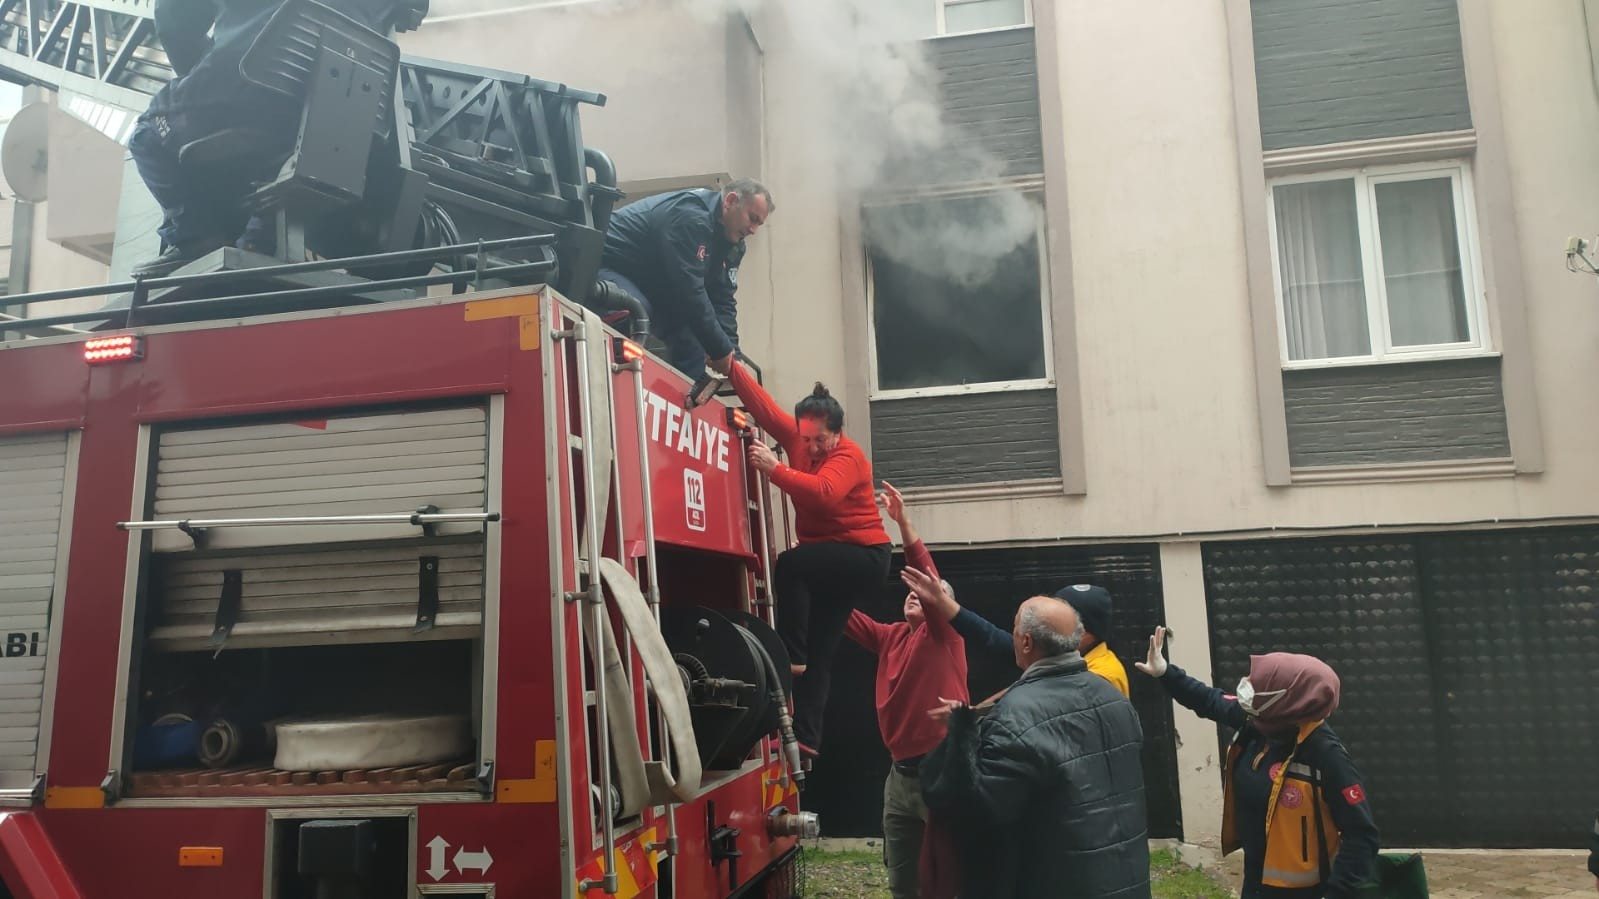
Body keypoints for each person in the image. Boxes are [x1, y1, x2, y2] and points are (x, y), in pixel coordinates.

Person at [128, 0, 418, 277]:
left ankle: (197, 239)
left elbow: (174, 20)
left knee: (147, 136)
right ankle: (260, 236)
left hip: (244, 91)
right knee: (274, 155)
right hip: (341, 111)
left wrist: (203, 77)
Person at [919, 597, 1151, 899]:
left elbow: (974, 813)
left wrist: (960, 735)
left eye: (1014, 628)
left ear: (1026, 642)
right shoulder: (1114, 698)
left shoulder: (1014, 715)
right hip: (1125, 879)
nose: (1011, 635)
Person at [1136, 627, 1379, 898]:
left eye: (1259, 683)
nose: (1247, 685)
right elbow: (1209, 700)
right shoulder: (1259, 723)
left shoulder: (1325, 754)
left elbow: (1362, 836)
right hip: (1256, 882)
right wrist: (1166, 673)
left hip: (1303, 892)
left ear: (1287, 699)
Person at [728, 361, 890, 756]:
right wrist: (729, 366)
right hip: (836, 558)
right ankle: (806, 737)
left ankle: (793, 656)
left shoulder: (849, 457)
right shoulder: (799, 438)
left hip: (864, 557)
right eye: (808, 440)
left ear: (838, 433)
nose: (813, 448)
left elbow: (824, 492)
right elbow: (764, 408)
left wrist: (775, 469)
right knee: (825, 649)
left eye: (822, 441)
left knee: (791, 565)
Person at [841, 482, 967, 899]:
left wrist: (904, 523)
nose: (917, 595)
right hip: (900, 776)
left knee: (952, 880)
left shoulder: (945, 635)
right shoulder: (891, 636)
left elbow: (929, 580)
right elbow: (841, 614)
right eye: (910, 592)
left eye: (929, 596)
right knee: (903, 880)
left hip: (943, 771)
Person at [599, 180, 773, 376]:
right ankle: (614, 379)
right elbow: (690, 290)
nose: (753, 229)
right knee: (635, 310)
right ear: (730, 201)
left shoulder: (734, 246)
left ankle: (688, 402)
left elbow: (723, 300)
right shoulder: (690, 217)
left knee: (692, 343)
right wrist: (720, 349)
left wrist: (733, 354)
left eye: (759, 223)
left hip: (653, 283)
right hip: (607, 264)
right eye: (752, 218)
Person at [922, 580, 1129, 697]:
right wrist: (943, 603)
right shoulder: (1061, 655)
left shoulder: (1102, 676)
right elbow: (992, 638)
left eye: (1059, 617)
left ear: (1082, 632)